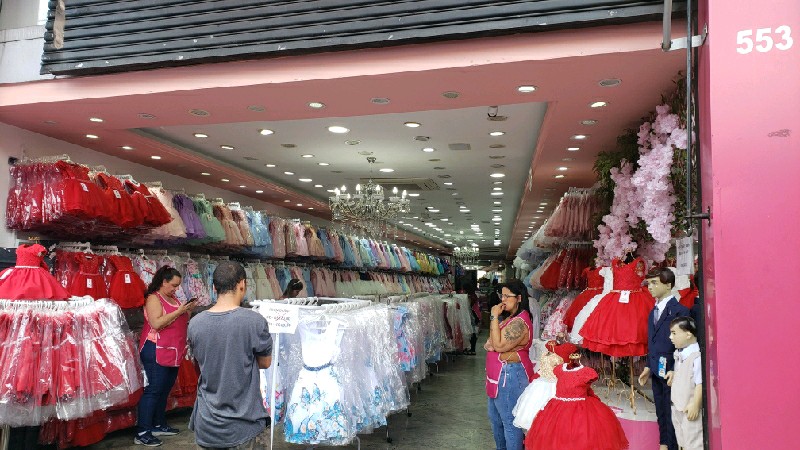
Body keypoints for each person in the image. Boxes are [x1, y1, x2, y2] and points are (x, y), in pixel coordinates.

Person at [188, 261, 273, 450]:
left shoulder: (195, 323)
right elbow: (265, 362)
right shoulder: (255, 321)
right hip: (244, 425)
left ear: (213, 288)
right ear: (242, 284)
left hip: (206, 424)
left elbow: (199, 364)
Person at [136, 266, 195, 447]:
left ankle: (158, 424)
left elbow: (179, 321)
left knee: (164, 389)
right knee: (154, 389)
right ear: (163, 282)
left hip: (172, 350)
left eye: (178, 286)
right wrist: (179, 311)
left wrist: (187, 310)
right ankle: (142, 432)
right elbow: (156, 323)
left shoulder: (173, 298)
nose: (176, 289)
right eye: (174, 285)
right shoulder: (153, 298)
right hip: (155, 349)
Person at [638, 268, 690, 450]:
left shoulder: (680, 311)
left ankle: (672, 445)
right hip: (656, 369)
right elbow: (652, 342)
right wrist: (648, 366)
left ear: (668, 285)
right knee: (660, 410)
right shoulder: (653, 312)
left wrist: (676, 369)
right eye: (649, 283)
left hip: (672, 372)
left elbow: (685, 345)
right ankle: (664, 444)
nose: (650, 287)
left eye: (655, 283)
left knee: (672, 412)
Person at [484, 280, 536, 450]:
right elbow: (489, 343)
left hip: (510, 375)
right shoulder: (510, 318)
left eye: (507, 296)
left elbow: (497, 345)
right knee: (496, 421)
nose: (503, 299)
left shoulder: (520, 322)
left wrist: (493, 316)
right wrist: (496, 342)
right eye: (502, 295)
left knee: (509, 422)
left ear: (519, 298)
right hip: (498, 375)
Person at [666, 316, 703, 450]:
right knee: (682, 442)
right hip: (677, 406)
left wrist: (695, 404)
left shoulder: (696, 357)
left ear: (688, 334)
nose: (670, 337)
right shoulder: (680, 354)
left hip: (688, 408)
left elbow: (699, 383)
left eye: (674, 333)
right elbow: (684, 373)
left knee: (693, 442)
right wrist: (674, 374)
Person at [465, 284, 480, 355]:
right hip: (476, 315)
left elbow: (469, 307)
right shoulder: (474, 296)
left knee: (472, 332)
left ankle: (472, 349)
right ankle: (472, 349)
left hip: (473, 315)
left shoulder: (470, 297)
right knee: (473, 332)